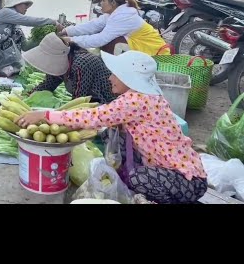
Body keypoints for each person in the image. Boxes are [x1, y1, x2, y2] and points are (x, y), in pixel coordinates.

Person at [16, 51, 207, 204]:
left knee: (136, 179)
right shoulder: (142, 96)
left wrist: (45, 115)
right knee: (111, 134)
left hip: (187, 181)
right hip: (173, 171)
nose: (110, 78)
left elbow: (93, 117)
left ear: (129, 78)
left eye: (115, 74)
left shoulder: (136, 100)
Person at [61, 0, 168, 56]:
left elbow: (100, 39)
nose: (100, 3)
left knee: (112, 43)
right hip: (141, 47)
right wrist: (67, 31)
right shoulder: (115, 12)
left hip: (156, 52)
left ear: (112, 3)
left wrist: (71, 40)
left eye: (103, 0)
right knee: (105, 36)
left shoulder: (123, 16)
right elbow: (93, 25)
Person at [0, 0, 58, 77]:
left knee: (17, 33)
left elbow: (25, 46)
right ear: (16, 4)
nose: (27, 8)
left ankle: (3, 66)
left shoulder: (15, 23)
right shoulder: (5, 12)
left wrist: (43, 35)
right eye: (25, 5)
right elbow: (28, 21)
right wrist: (52, 22)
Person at [21, 33, 115, 104]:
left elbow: (78, 99)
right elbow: (48, 84)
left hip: (104, 103)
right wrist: (27, 96)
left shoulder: (82, 63)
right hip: (89, 105)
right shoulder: (61, 63)